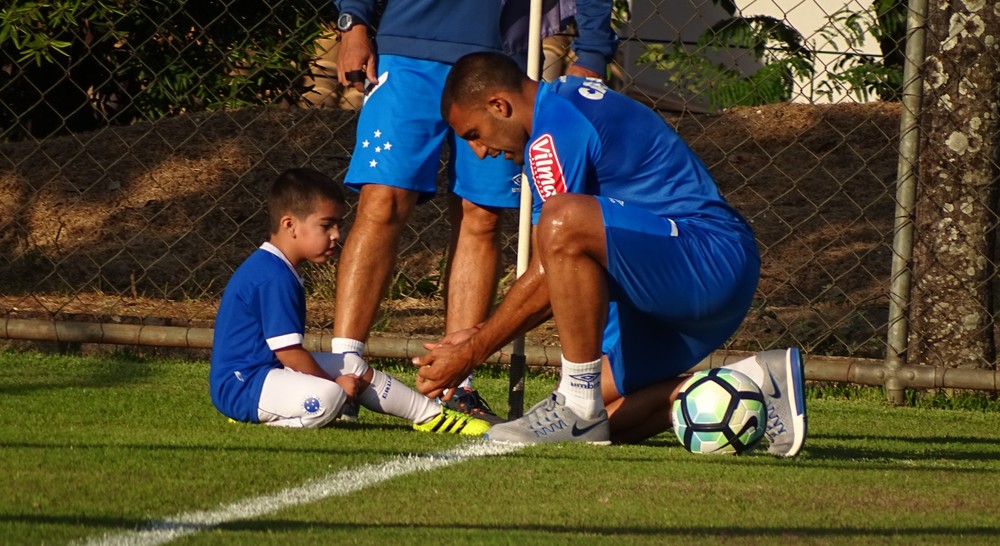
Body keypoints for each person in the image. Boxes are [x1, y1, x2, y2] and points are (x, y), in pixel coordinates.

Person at [413, 52, 807, 457]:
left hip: (707, 259)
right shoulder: (557, 107)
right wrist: (477, 338)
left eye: (474, 134)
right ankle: (756, 380)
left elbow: (552, 258)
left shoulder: (550, 135)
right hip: (675, 286)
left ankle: (577, 402)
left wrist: (473, 350)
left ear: (499, 105)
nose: (480, 151)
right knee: (602, 424)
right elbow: (555, 265)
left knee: (562, 220)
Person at [330, 0, 618, 423]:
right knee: (382, 200)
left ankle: (455, 384)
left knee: (481, 216)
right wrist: (352, 22)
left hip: (498, 54)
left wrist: (592, 49)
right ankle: (346, 371)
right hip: (409, 46)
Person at [209, 168, 490, 436]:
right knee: (330, 396)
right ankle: (256, 419)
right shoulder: (272, 276)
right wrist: (334, 384)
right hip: (242, 385)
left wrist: (341, 378)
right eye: (326, 225)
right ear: (290, 225)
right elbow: (289, 354)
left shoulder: (278, 267)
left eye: (338, 225)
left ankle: (431, 416)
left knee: (352, 365)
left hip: (264, 373)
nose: (336, 235)